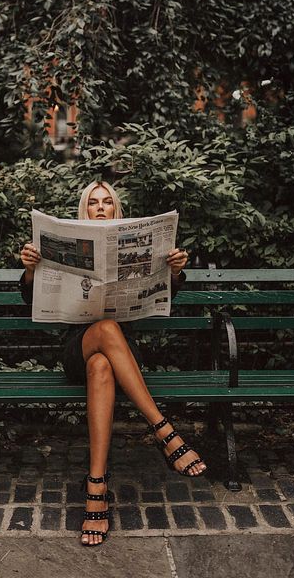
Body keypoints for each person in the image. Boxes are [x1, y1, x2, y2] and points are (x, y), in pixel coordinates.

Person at [20, 181, 207, 546]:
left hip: (123, 356)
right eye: (93, 202)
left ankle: (96, 487)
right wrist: (30, 269)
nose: (101, 207)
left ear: (116, 210)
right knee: (102, 331)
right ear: (84, 209)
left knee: (103, 366)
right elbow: (31, 295)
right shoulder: (63, 246)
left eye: (107, 202)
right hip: (77, 348)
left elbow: (165, 292)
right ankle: (164, 431)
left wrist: (173, 271)